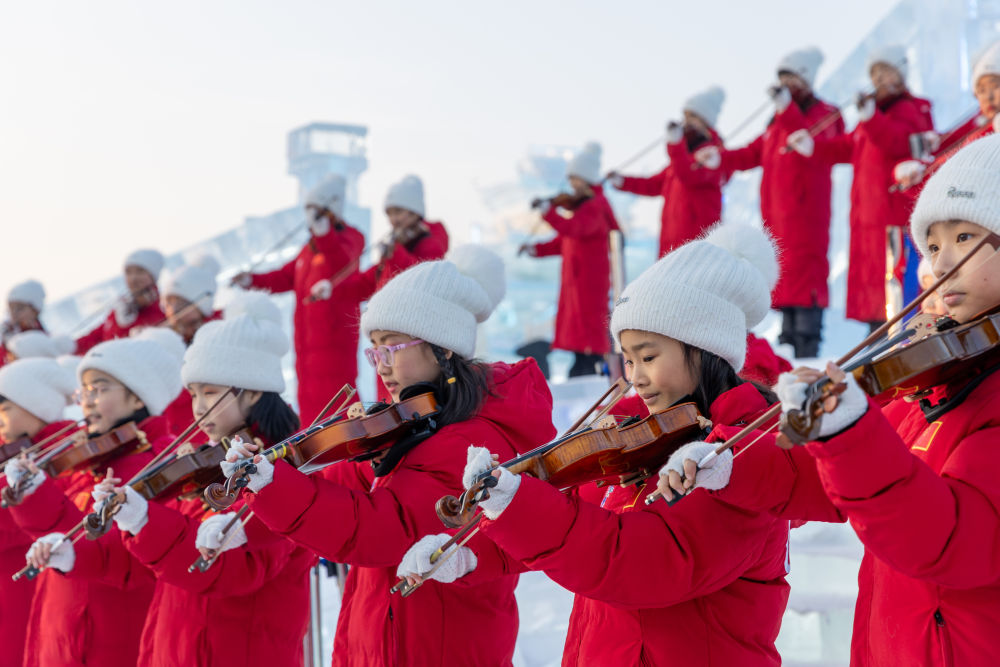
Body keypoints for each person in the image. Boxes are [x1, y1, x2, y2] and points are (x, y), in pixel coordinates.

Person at [401, 223, 794, 665]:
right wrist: (472, 556)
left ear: (704, 350)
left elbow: (642, 563)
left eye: (648, 357)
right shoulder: (639, 439)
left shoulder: (739, 455)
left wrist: (520, 505)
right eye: (628, 360)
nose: (635, 377)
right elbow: (577, 520)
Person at [699, 134, 1000, 665]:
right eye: (932, 246)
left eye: (965, 237)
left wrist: (854, 437)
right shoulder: (935, 377)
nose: (941, 265)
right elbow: (829, 480)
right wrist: (732, 463)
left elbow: (958, 540)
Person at [224, 245, 556, 665]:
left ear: (443, 348)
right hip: (382, 638)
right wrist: (329, 460)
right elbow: (341, 496)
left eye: (392, 348)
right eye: (374, 350)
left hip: (435, 648)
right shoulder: (410, 428)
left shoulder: (470, 443)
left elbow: (378, 530)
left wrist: (275, 488)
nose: (380, 366)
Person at [88, 292, 314, 666]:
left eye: (210, 392)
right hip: (180, 645)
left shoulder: (279, 471)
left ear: (254, 389)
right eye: (193, 393)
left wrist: (145, 520)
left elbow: (234, 571)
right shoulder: (207, 464)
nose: (198, 407)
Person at [6, 338, 179, 667]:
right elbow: (61, 530)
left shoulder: (157, 463)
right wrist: (29, 492)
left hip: (111, 634)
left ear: (137, 395)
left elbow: (119, 553)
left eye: (99, 390)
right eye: (83, 392)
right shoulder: (90, 459)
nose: (87, 402)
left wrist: (36, 494)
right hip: (63, 627)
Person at [697, 47, 845, 358]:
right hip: (777, 220)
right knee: (784, 285)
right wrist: (719, 158)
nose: (787, 86)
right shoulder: (776, 123)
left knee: (807, 281)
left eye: (792, 78)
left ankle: (809, 350)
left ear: (805, 80)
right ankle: (789, 348)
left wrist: (787, 110)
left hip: (807, 217)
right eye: (783, 79)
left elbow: (821, 141)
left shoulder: (824, 114)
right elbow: (751, 153)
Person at [787, 45, 933, 331]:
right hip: (868, 219)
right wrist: (813, 147)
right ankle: (876, 340)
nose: (879, 79)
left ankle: (895, 342)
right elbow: (846, 147)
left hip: (894, 219)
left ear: (900, 75)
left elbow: (899, 141)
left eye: (885, 71)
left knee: (894, 288)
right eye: (874, 73)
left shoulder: (912, 109)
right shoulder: (873, 115)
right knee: (875, 295)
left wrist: (871, 118)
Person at [232, 174, 364, 424]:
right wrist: (252, 280)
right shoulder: (309, 248)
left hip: (335, 342)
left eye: (315, 210)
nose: (310, 217)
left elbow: (343, 265)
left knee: (336, 404)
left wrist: (325, 236)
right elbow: (285, 276)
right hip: (306, 347)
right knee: (310, 406)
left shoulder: (350, 238)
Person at [0, 359, 77, 667]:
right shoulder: (19, 451)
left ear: (37, 408)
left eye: (5, 410)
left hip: (23, 579)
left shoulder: (59, 456)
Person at [520, 142, 620, 376]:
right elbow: (564, 242)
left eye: (576, 180)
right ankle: (585, 366)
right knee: (580, 333)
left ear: (587, 181)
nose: (572, 187)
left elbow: (575, 229)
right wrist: (536, 249)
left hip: (588, 283)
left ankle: (590, 370)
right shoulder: (582, 207)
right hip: (577, 283)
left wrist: (549, 212)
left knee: (588, 334)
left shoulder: (595, 207)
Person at [610, 86, 731, 255]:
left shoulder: (714, 154)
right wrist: (623, 182)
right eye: (686, 116)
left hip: (695, 243)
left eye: (693, 116)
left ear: (706, 120)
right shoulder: (683, 156)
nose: (687, 121)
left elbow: (688, 176)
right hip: (671, 240)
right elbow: (654, 184)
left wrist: (676, 145)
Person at [893, 39, 1000, 193]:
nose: (988, 96)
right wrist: (919, 175)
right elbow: (950, 150)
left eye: (996, 86)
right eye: (981, 90)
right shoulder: (978, 122)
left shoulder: (990, 128)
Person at [75, 249, 167, 354]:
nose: (133, 278)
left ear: (153, 276)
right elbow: (94, 337)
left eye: (140, 271)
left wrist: (126, 327)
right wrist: (66, 346)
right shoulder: (121, 306)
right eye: (128, 272)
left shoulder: (164, 306)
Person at [159, 254, 221, 344]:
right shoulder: (169, 337)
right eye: (168, 304)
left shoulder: (217, 330)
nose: (173, 310)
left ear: (202, 309)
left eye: (182, 303)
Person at [1, 280, 47, 368]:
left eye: (19, 309)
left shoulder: (37, 329)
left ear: (35, 310)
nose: (14, 314)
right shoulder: (8, 333)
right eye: (11, 309)